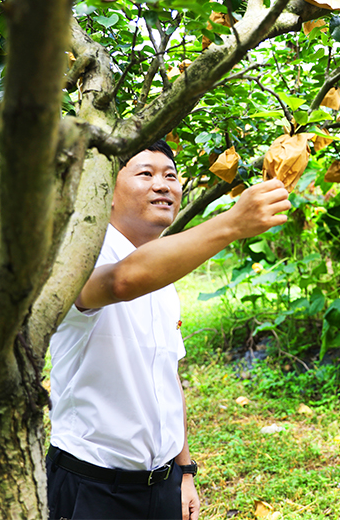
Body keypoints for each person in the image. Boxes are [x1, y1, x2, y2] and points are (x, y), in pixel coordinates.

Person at [47, 139, 290, 520]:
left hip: (161, 484)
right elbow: (120, 282)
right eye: (146, 174)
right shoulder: (78, 256)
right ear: (106, 190)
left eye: (171, 176)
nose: (163, 185)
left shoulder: (165, 273)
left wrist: (184, 472)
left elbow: (168, 376)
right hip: (91, 486)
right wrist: (231, 223)